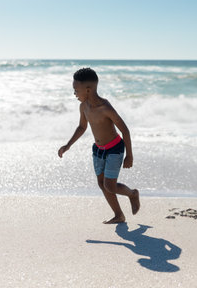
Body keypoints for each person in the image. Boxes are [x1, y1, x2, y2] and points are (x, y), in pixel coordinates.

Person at [58, 68, 140, 224]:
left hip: (115, 149)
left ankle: (132, 194)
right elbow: (82, 127)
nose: (74, 93)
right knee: (102, 184)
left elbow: (125, 130)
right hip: (98, 150)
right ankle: (119, 215)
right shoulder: (84, 107)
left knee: (110, 186)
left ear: (88, 89)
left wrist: (129, 155)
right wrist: (68, 145)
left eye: (76, 90)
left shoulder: (105, 108)